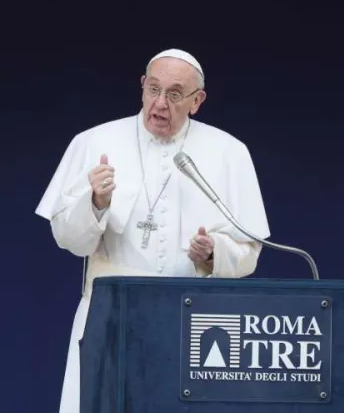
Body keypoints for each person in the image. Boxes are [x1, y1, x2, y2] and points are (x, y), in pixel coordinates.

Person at [34, 48, 270, 413]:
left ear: (197, 101)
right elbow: (68, 240)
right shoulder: (94, 142)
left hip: (194, 322)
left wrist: (212, 254)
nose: (160, 103)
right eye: (153, 89)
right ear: (142, 87)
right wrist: (95, 202)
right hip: (110, 315)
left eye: (175, 94)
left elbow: (248, 252)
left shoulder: (229, 152)